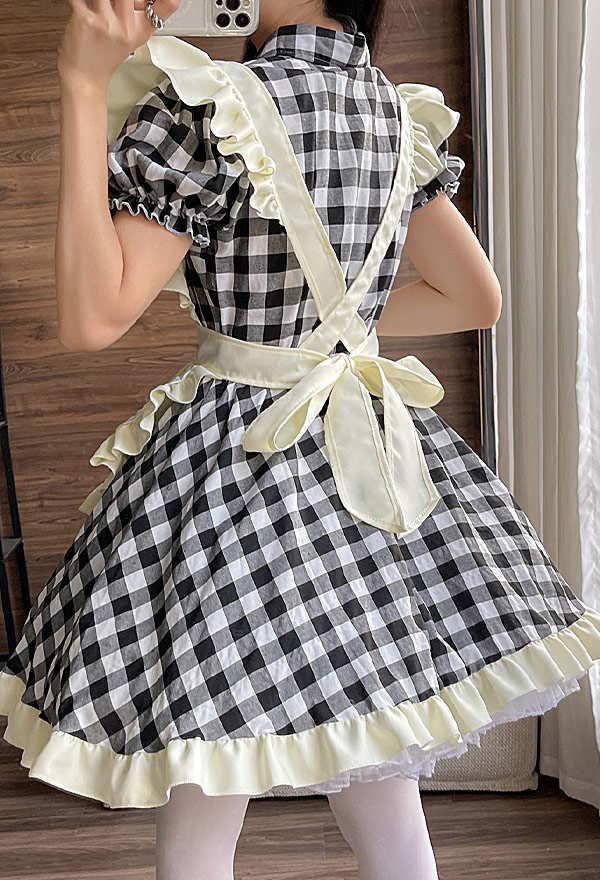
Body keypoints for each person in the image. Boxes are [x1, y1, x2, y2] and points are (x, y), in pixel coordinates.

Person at [1, 1, 600, 879]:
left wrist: (83, 83)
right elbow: (475, 298)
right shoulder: (394, 113)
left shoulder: (209, 105)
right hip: (375, 465)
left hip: (235, 472)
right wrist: (328, 332)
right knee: (384, 784)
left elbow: (93, 318)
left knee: (205, 790)